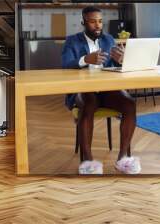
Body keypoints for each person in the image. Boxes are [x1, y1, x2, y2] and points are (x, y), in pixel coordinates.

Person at [61, 6, 140, 175]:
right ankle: (88, 161)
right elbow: (65, 65)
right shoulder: (72, 41)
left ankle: (123, 159)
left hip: (107, 90)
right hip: (84, 90)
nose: (97, 25)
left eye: (100, 21)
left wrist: (120, 60)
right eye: (92, 22)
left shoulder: (109, 39)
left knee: (129, 104)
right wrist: (84, 59)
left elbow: (113, 66)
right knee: (88, 104)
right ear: (83, 22)